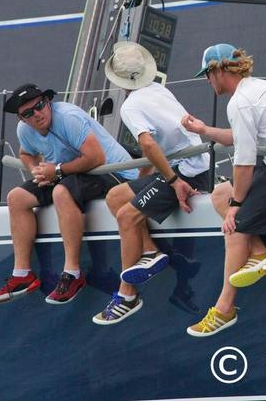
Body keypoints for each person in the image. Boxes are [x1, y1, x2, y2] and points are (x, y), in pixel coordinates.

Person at [180, 44, 266, 336]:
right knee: (219, 194)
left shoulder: (240, 102)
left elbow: (243, 165)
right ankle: (257, 252)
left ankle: (224, 309)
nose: (207, 81)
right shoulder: (257, 89)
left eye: (207, 74)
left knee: (234, 228)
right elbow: (239, 137)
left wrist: (236, 206)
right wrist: (204, 130)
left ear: (219, 70)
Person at [91, 42, 212, 325]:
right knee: (115, 197)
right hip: (188, 164)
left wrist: (171, 180)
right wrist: (146, 180)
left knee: (126, 215)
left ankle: (126, 295)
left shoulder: (130, 106)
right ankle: (150, 251)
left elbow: (146, 141)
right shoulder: (160, 91)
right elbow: (154, 147)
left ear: (117, 80)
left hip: (184, 172)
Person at [0, 83, 137, 305]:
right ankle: (22, 275)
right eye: (28, 113)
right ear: (22, 118)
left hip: (114, 172)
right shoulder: (24, 130)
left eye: (40, 106)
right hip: (71, 173)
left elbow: (96, 158)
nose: (37, 114)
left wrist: (55, 171)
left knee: (61, 193)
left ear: (48, 102)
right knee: (16, 198)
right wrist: (37, 171)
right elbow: (25, 153)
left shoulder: (68, 118)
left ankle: (72, 274)